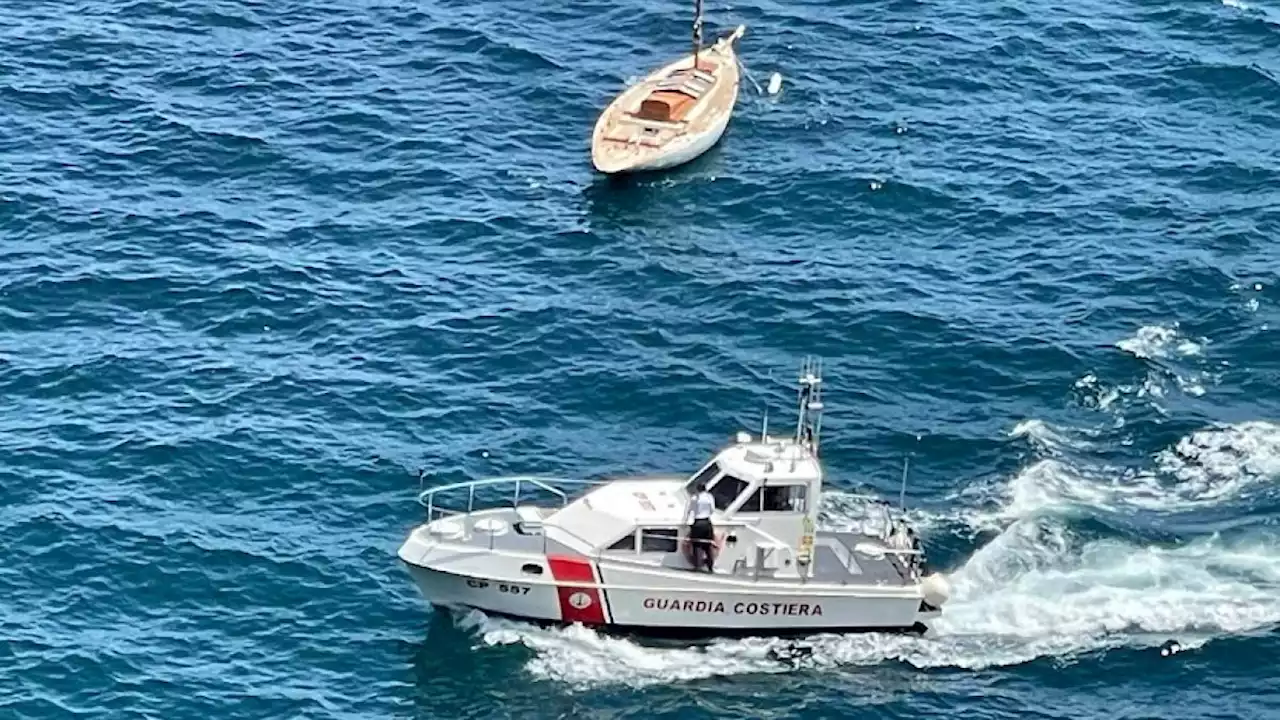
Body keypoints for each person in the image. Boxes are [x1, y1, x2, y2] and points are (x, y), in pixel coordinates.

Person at [685, 479, 716, 572]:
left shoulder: (695, 498)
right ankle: (710, 567)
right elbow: (712, 510)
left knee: (697, 545)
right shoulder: (710, 497)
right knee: (708, 546)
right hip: (707, 522)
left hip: (698, 522)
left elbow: (691, 510)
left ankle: (697, 567)